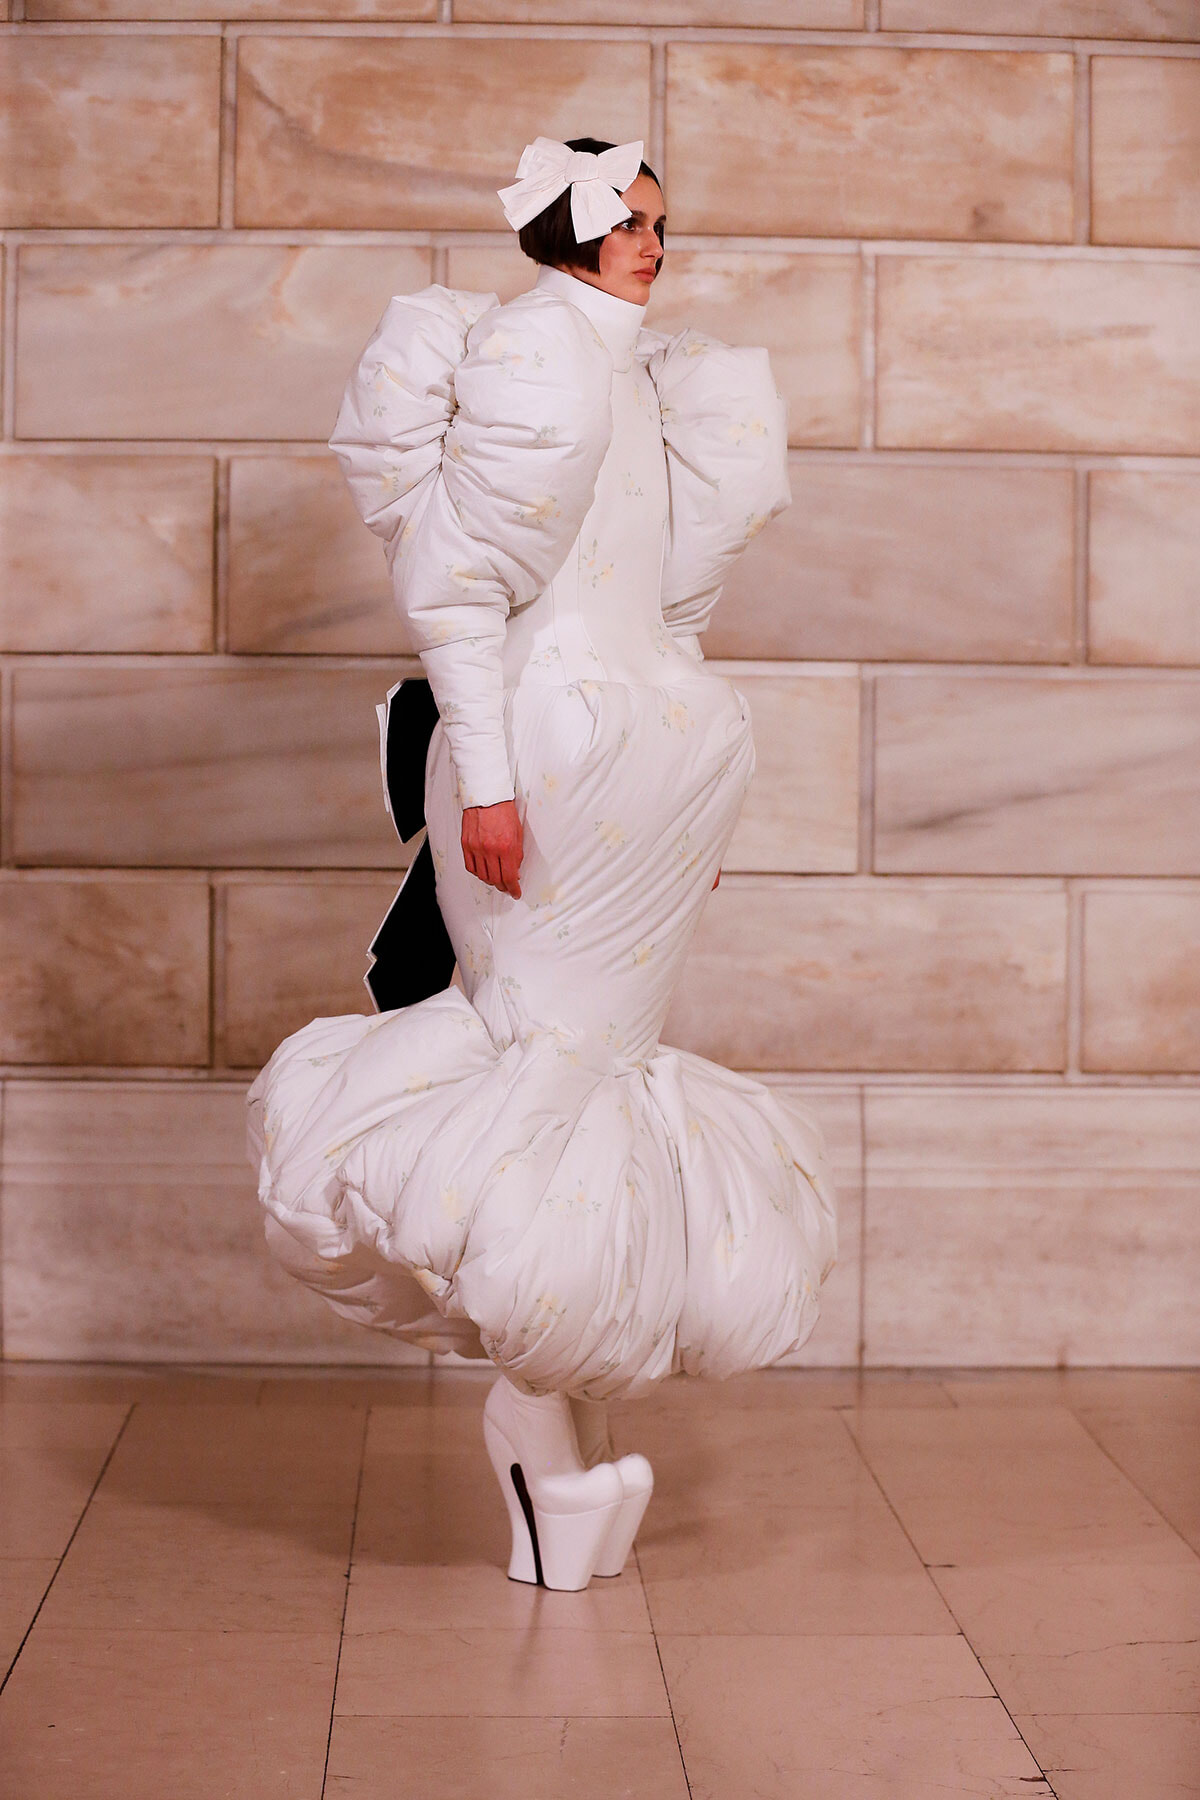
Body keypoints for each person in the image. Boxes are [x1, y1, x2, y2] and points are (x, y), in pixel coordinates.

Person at [246, 135, 838, 1591]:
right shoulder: (532, 359)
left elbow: (666, 595)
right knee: (541, 1063)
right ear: (563, 232)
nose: (653, 240)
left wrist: (689, 800)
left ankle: (556, 1465)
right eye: (627, 222)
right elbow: (457, 597)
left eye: (657, 219)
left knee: (589, 1071)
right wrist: (493, 784)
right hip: (548, 752)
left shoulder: (646, 375)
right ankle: (544, 1447)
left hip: (641, 758)